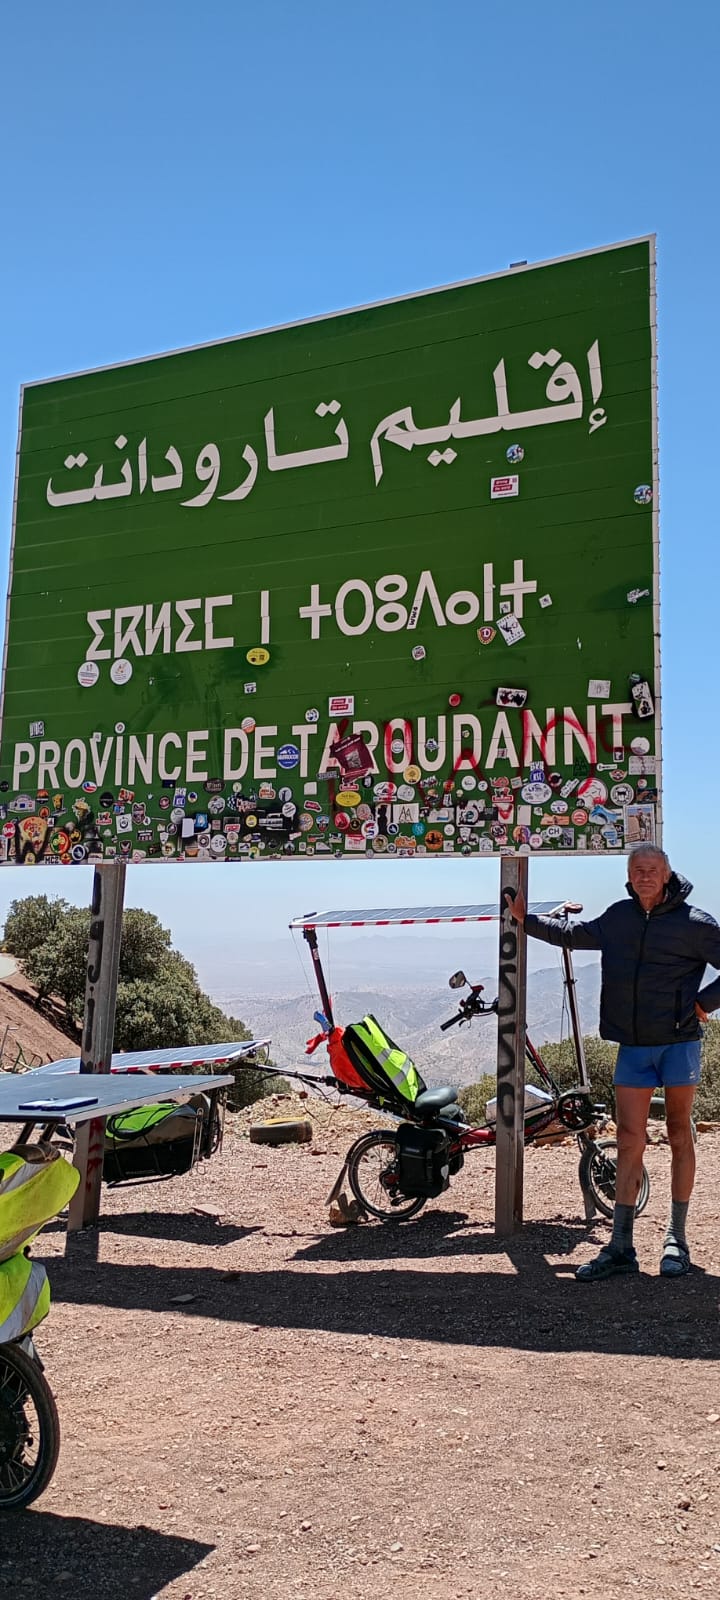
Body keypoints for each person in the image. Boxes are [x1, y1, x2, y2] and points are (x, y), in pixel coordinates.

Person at [506, 844, 720, 1280]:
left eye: (652, 869)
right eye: (637, 869)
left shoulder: (695, 923)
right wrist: (526, 920)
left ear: (667, 874)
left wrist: (704, 1004)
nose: (645, 876)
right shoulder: (619, 916)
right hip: (633, 1046)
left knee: (679, 1133)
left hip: (679, 1043)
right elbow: (574, 935)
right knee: (627, 1139)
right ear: (629, 875)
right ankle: (621, 1246)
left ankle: (676, 1239)